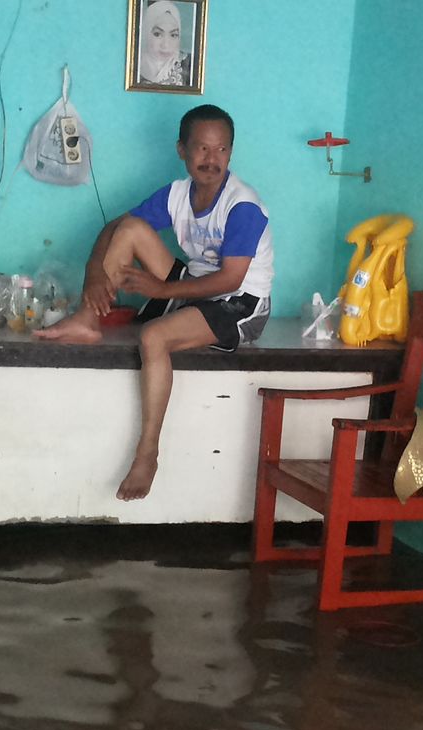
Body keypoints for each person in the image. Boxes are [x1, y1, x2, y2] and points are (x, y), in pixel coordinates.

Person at [34, 104, 273, 502]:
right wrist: (94, 271)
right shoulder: (178, 194)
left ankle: (148, 452)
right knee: (129, 229)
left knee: (154, 336)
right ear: (182, 149)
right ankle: (85, 320)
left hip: (240, 304)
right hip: (198, 288)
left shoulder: (241, 205)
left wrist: (161, 291)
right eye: (201, 149)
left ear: (230, 153)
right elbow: (114, 228)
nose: (210, 160)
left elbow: (232, 279)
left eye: (221, 151)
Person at [138, 0, 192, 87]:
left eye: (173, 35)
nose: (166, 45)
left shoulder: (189, 64)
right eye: (157, 34)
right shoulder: (133, 64)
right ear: (145, 34)